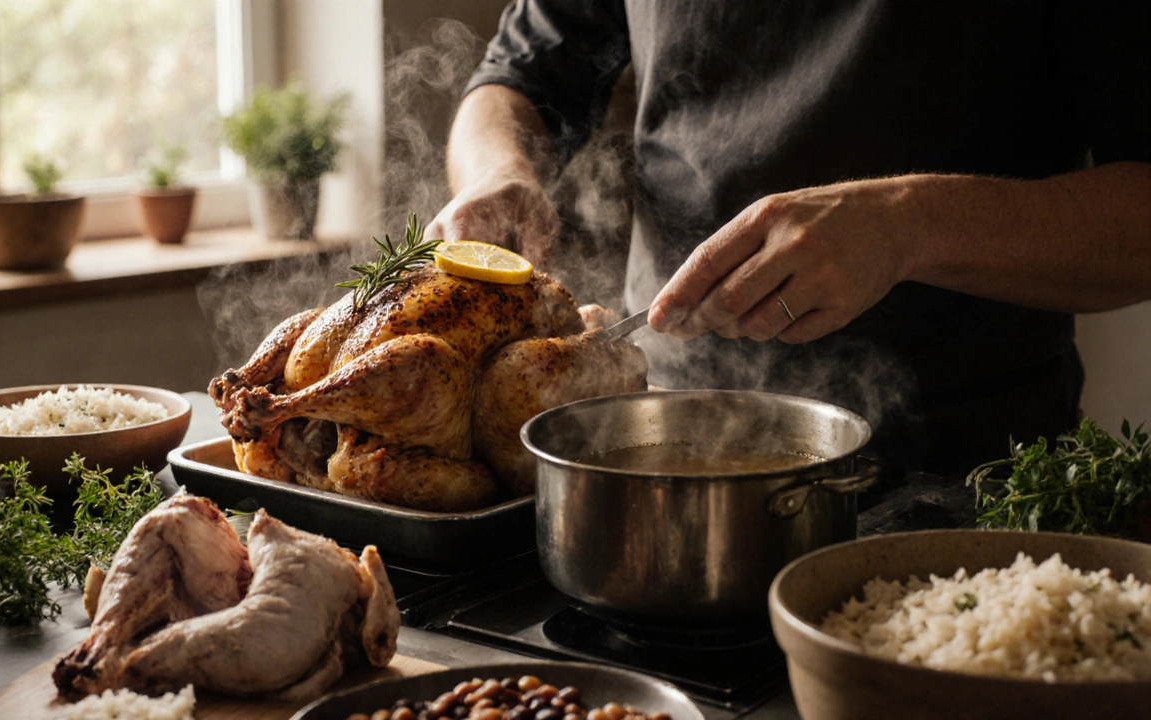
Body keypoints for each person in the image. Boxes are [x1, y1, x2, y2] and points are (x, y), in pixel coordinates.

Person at [424, 0, 1151, 477]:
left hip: (972, 469)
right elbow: (520, 72)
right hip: (661, 441)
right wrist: (496, 171)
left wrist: (907, 224)